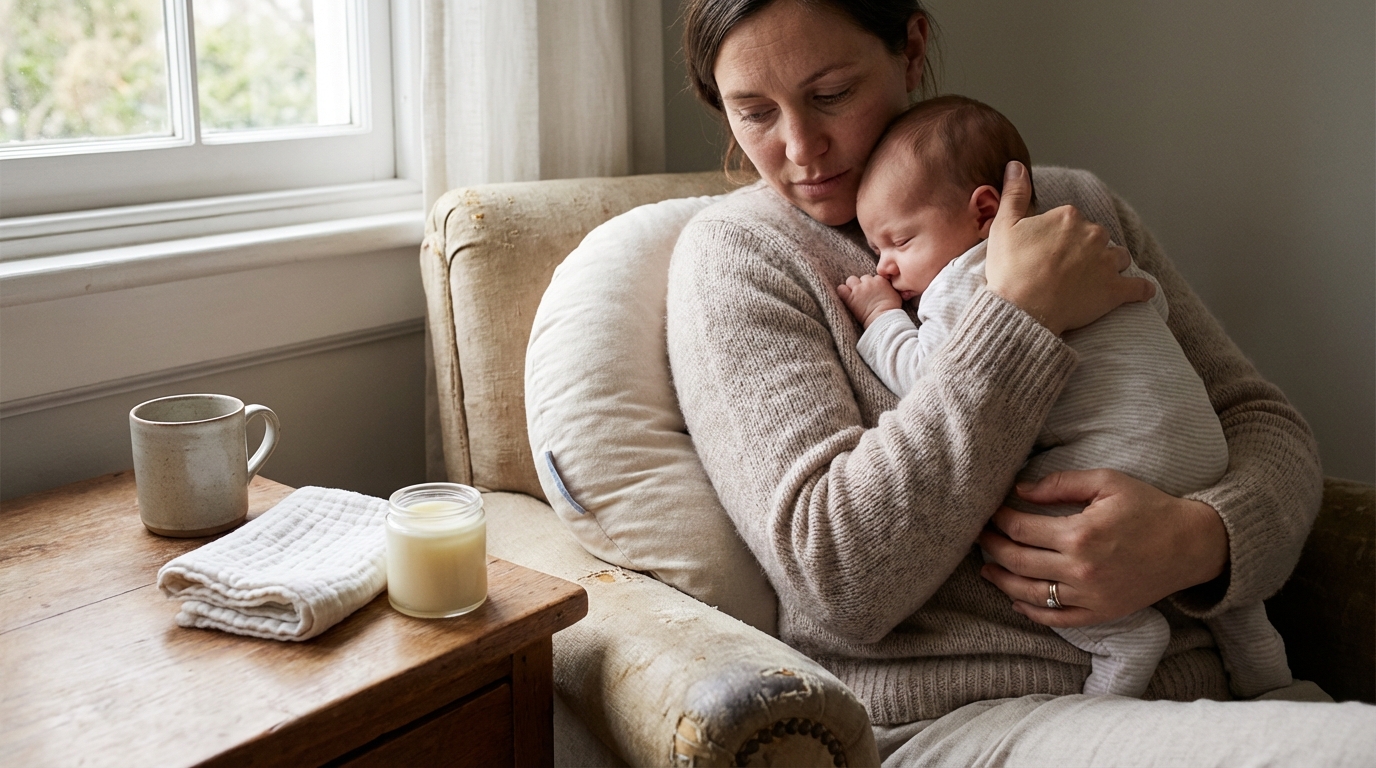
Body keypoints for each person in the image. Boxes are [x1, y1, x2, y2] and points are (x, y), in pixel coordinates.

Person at [665, 0, 1375, 764]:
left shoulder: (1072, 207)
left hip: (1215, 695)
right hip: (969, 721)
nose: (801, 146)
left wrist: (1201, 541)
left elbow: (1262, 422)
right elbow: (842, 577)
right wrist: (1020, 314)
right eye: (754, 111)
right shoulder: (741, 261)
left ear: (909, 50)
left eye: (831, 93)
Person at [836, 94, 1292, 700]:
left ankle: (1122, 638)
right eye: (878, 254)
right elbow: (1148, 299)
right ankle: (1272, 678)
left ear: (984, 212)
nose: (886, 266)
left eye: (899, 241)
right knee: (1238, 610)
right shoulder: (1086, 245)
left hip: (1117, 461)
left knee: (1025, 507)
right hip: (1205, 456)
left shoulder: (965, 280)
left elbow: (926, 377)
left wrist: (880, 316)